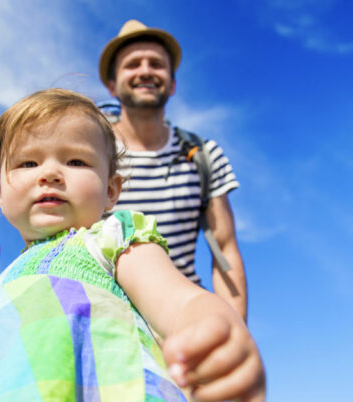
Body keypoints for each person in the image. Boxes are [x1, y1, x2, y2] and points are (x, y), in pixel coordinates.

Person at [0, 89, 264, 401]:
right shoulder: (5, 283)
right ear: (0, 193)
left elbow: (179, 302)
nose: (50, 173)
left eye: (76, 161)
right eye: (28, 162)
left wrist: (217, 330)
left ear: (111, 190)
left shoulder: (112, 240)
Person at [99, 20, 249, 321]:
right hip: (101, 319)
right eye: (132, 64)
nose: (145, 71)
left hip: (182, 319)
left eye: (156, 64)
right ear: (112, 85)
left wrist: (236, 330)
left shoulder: (204, 155)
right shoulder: (89, 154)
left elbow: (225, 251)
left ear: (172, 84)